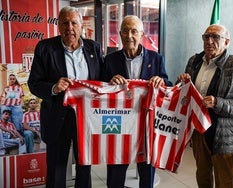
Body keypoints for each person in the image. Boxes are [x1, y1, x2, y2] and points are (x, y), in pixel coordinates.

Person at [27, 6, 103, 188]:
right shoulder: (45, 48)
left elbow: (102, 80)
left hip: (86, 119)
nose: (70, 27)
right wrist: (53, 87)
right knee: (56, 168)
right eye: (65, 23)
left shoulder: (93, 48)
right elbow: (34, 84)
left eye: (74, 23)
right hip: (57, 117)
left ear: (81, 26)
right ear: (58, 26)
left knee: (84, 166)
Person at [177, 24, 233, 188]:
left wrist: (218, 103)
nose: (209, 41)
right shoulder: (194, 61)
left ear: (227, 42)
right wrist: (181, 83)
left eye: (215, 37)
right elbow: (185, 94)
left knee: (225, 181)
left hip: (224, 136)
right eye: (206, 37)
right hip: (199, 131)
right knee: (202, 175)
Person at [103, 15, 172, 188]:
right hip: (118, 125)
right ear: (119, 34)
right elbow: (100, 89)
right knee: (115, 173)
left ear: (142, 34)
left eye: (134, 31)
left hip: (146, 125)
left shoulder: (157, 59)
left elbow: (168, 87)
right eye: (125, 31)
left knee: (147, 172)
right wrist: (109, 83)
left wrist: (161, 82)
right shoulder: (110, 60)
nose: (129, 35)